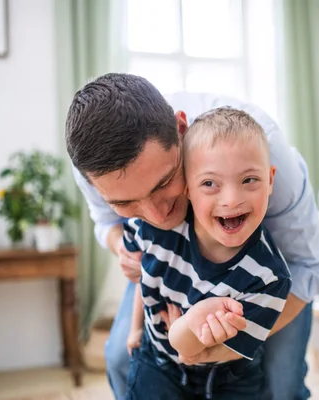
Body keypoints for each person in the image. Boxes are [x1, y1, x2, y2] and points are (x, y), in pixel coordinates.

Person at [66, 73, 319, 400]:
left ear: (181, 131)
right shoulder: (91, 168)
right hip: (171, 264)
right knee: (123, 358)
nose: (156, 217)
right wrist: (122, 246)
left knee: (282, 384)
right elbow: (106, 224)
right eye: (126, 201)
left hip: (269, 284)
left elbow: (312, 265)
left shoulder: (262, 151)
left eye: (163, 183)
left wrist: (220, 351)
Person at [123, 107, 292, 399]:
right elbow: (145, 276)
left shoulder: (270, 277)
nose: (231, 199)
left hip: (226, 373)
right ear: (187, 188)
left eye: (249, 180)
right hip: (157, 362)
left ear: (271, 179)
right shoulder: (151, 228)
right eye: (210, 183)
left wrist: (187, 328)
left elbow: (198, 352)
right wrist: (135, 329)